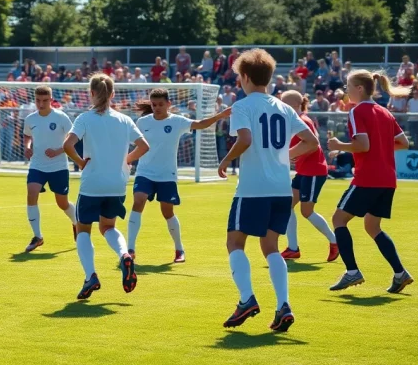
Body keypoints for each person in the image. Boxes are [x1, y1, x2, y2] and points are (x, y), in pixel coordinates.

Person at [217, 49, 319, 332]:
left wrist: (226, 160)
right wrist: (283, 157)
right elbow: (312, 142)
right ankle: (283, 305)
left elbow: (246, 139)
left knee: (235, 244)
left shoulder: (243, 105)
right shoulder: (285, 107)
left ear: (245, 77)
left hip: (252, 189)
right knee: (271, 247)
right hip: (281, 190)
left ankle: (246, 299)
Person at [62, 74, 150, 300]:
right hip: (117, 183)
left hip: (92, 183)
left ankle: (90, 275)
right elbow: (144, 146)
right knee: (108, 227)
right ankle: (124, 255)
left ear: (91, 93)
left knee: (83, 230)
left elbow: (67, 145)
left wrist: (81, 162)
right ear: (112, 95)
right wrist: (126, 160)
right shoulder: (124, 120)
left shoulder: (84, 118)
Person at [327, 70, 413, 293]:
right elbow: (403, 142)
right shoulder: (384, 112)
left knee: (338, 219)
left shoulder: (357, 112)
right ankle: (400, 273)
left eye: (348, 86)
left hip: (368, 178)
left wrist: (339, 146)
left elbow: (363, 145)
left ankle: (352, 272)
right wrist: (381, 147)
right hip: (387, 179)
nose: (346, 91)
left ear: (359, 88)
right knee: (372, 226)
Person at [127, 89, 231, 262]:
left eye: (161, 104)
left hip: (167, 175)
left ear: (169, 104)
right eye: (154, 105)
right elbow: (133, 143)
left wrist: (220, 115)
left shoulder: (177, 121)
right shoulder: (142, 122)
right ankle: (130, 249)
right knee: (138, 201)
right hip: (144, 172)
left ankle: (179, 249)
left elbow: (201, 123)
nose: (157, 108)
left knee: (167, 212)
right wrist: (127, 160)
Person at [279, 91, 338, 262]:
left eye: (284, 104)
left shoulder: (302, 120)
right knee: (287, 205)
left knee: (306, 211)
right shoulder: (297, 119)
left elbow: (313, 145)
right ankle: (293, 248)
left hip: (314, 171)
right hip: (304, 170)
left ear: (295, 105)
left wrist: (288, 155)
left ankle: (335, 241)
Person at [21, 86, 78, 252]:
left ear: (51, 99)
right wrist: (28, 146)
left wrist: (58, 151)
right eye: (38, 100)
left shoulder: (61, 117)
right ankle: (38, 236)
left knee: (62, 203)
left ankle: (76, 223)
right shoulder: (31, 119)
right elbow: (26, 135)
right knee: (32, 193)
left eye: (45, 100)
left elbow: (74, 139)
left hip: (58, 166)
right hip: (37, 164)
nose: (41, 103)